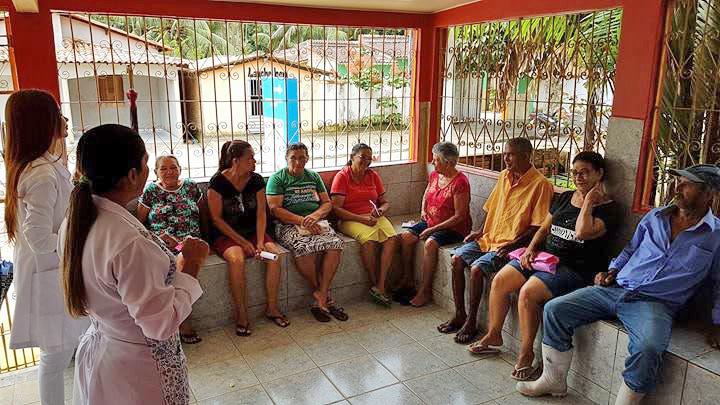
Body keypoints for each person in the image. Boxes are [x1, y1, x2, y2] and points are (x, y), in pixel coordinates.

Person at [517, 164, 720, 405]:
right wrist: (612, 269)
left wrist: (717, 323)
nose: (678, 187)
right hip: (617, 288)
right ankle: (553, 380)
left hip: (654, 303)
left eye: (687, 184)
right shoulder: (655, 217)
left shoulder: (715, 236)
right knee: (555, 309)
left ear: (709, 194)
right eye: (678, 181)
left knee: (649, 347)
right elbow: (631, 249)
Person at [60, 124, 208, 405]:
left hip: (107, 350)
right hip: (138, 368)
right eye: (146, 165)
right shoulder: (128, 241)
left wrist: (158, 250)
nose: (149, 172)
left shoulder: (76, 221)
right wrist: (191, 265)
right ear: (131, 175)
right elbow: (159, 325)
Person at [469, 152, 618, 381]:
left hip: (573, 269)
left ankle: (526, 353)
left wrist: (588, 201)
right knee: (500, 280)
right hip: (544, 259)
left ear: (599, 174)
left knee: (528, 292)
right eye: (575, 172)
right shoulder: (564, 198)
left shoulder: (609, 209)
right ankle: (494, 335)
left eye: (585, 172)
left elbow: (583, 232)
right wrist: (530, 250)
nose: (578, 177)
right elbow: (544, 229)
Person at [3, 89, 89, 405]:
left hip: (55, 272)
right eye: (57, 112)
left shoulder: (45, 164)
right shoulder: (40, 173)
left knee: (75, 346)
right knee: (57, 357)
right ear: (42, 121)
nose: (64, 119)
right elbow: (40, 238)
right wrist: (78, 242)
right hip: (50, 276)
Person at [437, 137, 554, 343]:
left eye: (511, 154)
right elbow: (492, 209)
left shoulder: (541, 185)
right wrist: (479, 231)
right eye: (505, 153)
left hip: (509, 246)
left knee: (477, 269)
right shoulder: (503, 176)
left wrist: (513, 244)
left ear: (526, 156)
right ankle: (459, 313)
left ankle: (472, 321)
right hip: (488, 238)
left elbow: (538, 227)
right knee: (456, 259)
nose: (506, 158)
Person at [207, 140, 288, 336]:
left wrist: (259, 242)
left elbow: (262, 213)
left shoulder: (257, 180)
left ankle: (271, 307)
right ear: (236, 161)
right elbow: (217, 220)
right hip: (227, 234)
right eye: (250, 158)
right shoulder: (218, 182)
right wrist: (243, 243)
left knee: (274, 256)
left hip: (253, 231)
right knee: (237, 259)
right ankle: (241, 314)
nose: (255, 161)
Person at [266, 143, 348, 322]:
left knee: (335, 244)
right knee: (303, 248)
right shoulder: (278, 179)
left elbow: (327, 203)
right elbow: (275, 209)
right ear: (286, 159)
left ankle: (321, 293)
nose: (298, 161)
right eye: (293, 157)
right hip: (289, 225)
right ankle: (323, 295)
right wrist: (302, 220)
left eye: (302, 157)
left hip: (316, 221)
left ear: (307, 158)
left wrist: (314, 216)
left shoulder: (313, 176)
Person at [136, 155, 205, 344]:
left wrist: (209, 242)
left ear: (180, 169)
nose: (169, 172)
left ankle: (179, 323)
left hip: (190, 243)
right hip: (162, 244)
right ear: (156, 172)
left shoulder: (191, 187)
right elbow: (139, 224)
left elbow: (204, 215)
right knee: (170, 266)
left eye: (173, 168)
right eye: (164, 169)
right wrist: (158, 238)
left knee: (183, 261)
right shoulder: (151, 191)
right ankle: (180, 323)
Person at [398, 141, 470, 306]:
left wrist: (433, 229)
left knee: (430, 244)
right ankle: (408, 279)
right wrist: (423, 210)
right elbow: (426, 194)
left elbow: (460, 216)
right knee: (406, 236)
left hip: (452, 228)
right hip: (430, 221)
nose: (432, 163)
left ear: (449, 163)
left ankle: (425, 291)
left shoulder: (460, 182)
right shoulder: (435, 175)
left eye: (436, 160)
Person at [331, 143, 397, 306]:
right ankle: (373, 282)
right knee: (368, 242)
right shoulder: (342, 176)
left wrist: (380, 210)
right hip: (350, 219)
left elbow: (385, 202)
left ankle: (380, 285)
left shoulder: (372, 175)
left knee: (392, 239)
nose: (366, 161)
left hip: (373, 216)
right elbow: (336, 209)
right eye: (362, 157)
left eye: (369, 158)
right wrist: (362, 219)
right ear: (352, 157)